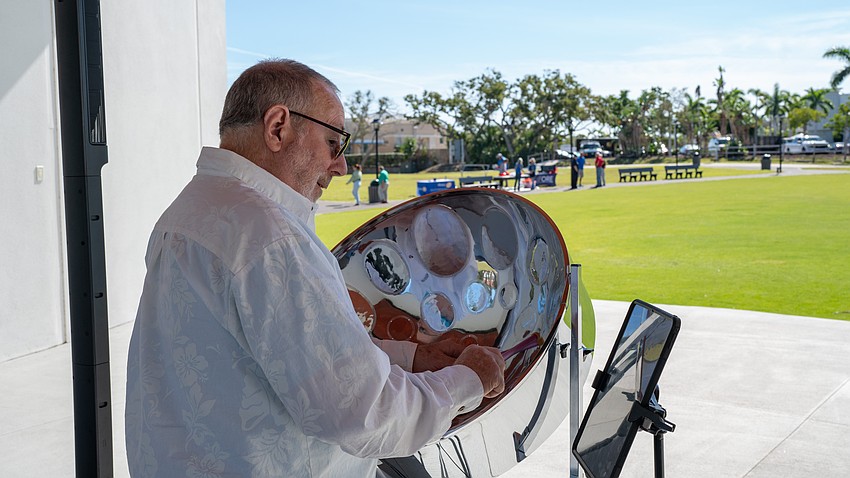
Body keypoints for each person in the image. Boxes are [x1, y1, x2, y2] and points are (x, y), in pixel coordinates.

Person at [124, 59, 505, 478]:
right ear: (278, 128)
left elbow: (276, 355)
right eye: (332, 142)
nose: (340, 166)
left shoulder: (190, 209)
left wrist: (413, 356)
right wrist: (469, 380)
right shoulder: (268, 237)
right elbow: (362, 413)